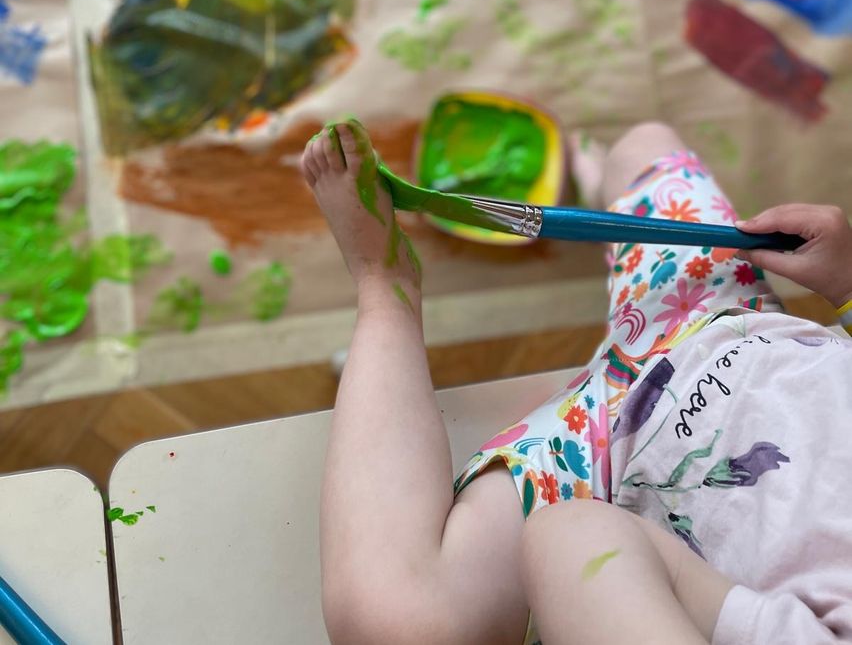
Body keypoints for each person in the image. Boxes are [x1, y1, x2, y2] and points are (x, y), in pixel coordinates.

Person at [301, 119, 852, 645]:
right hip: (733, 321)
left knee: (397, 624)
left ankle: (383, 284)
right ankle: (599, 188)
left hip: (606, 458)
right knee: (643, 144)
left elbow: (583, 549)